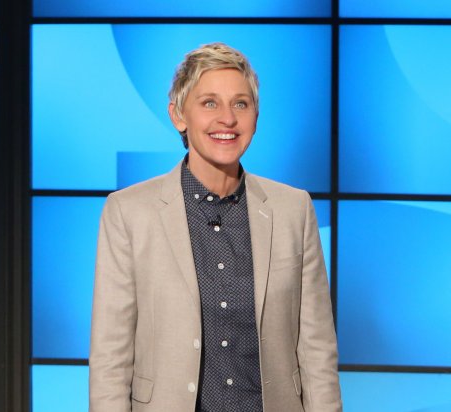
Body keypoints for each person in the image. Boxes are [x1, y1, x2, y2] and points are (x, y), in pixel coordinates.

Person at [89, 42, 342, 412]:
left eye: (241, 104)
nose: (227, 119)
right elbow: (110, 356)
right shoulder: (129, 212)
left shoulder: (294, 210)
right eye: (209, 103)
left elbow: (317, 350)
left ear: (256, 116)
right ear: (179, 116)